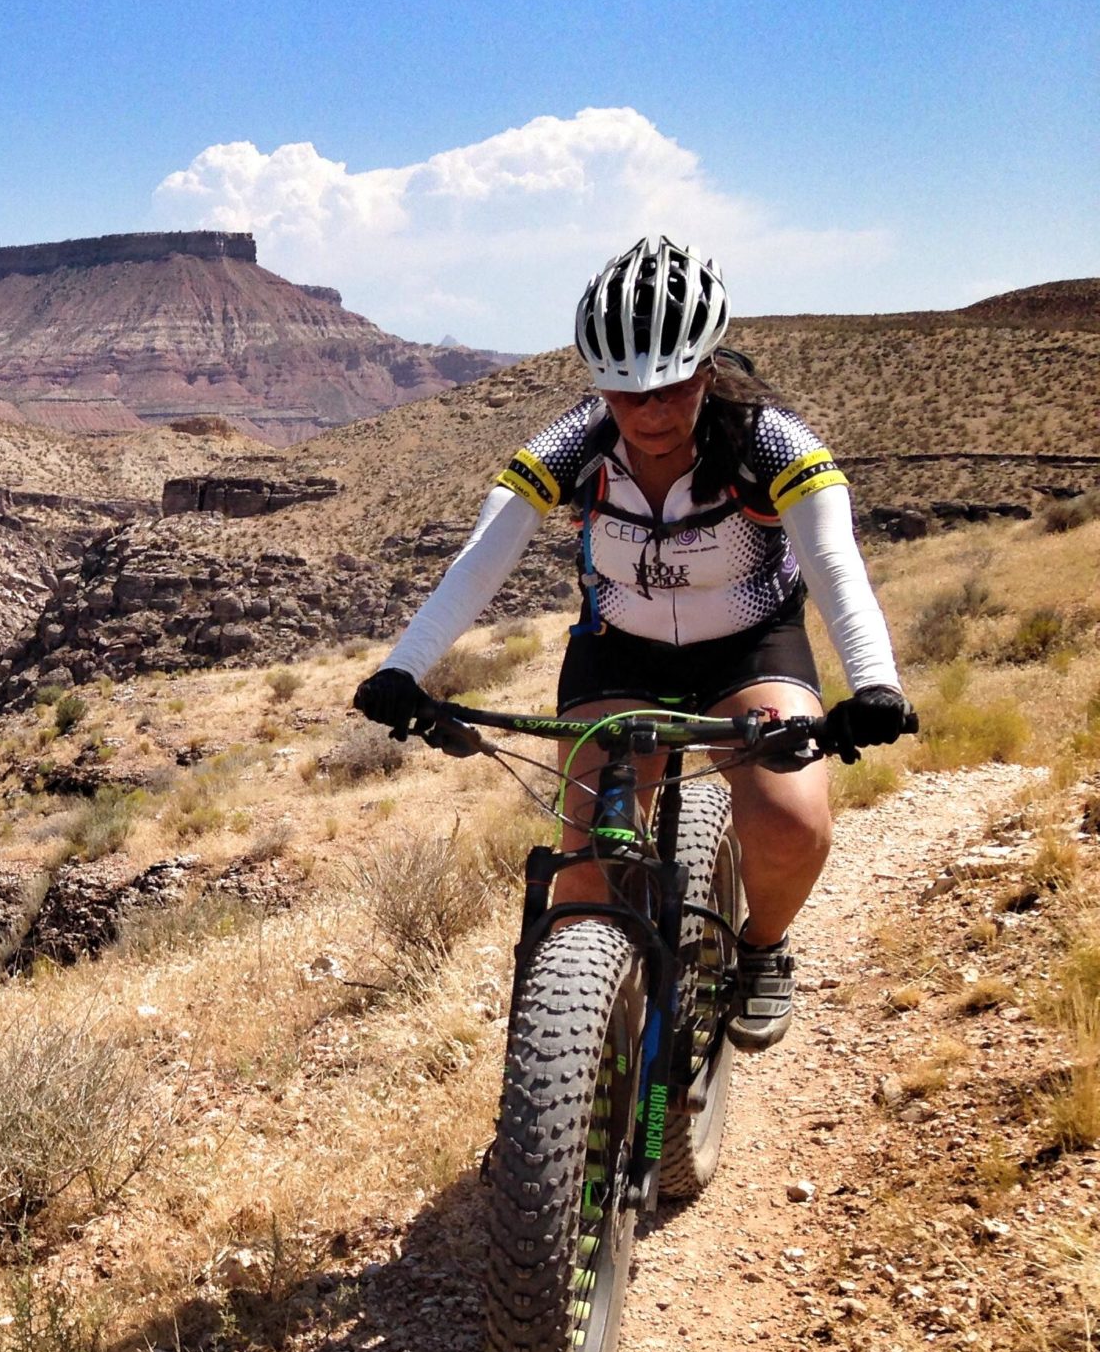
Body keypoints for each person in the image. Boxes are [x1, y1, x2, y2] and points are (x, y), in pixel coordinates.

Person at [351, 235, 916, 1049]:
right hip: (620, 651)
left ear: (708, 368)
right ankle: (579, 1073)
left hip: (749, 645)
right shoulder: (574, 445)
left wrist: (874, 685)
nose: (649, 413)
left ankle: (762, 948)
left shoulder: (771, 443)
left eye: (672, 387)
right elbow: (481, 561)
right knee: (586, 869)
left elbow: (834, 563)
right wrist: (402, 669)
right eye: (623, 393)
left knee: (791, 819)